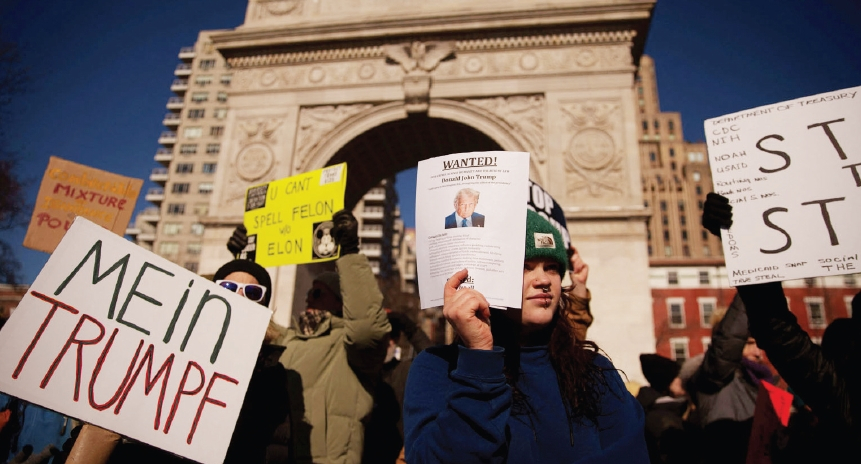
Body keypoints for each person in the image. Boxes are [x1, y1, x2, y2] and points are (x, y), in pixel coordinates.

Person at [404, 210, 648, 463]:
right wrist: (478, 359)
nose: (543, 280)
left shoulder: (596, 370)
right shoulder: (437, 367)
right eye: (524, 267)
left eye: (552, 268)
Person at [702, 192, 861, 460]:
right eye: (748, 343)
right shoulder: (847, 402)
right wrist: (743, 243)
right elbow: (776, 330)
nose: (756, 352)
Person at [263, 210, 391, 464]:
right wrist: (241, 264)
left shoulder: (350, 347)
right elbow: (250, 328)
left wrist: (350, 253)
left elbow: (367, 328)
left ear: (341, 301)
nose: (310, 297)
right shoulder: (288, 340)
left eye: (319, 293)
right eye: (310, 292)